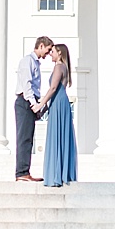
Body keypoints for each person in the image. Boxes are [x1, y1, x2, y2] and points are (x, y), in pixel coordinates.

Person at [34, 43, 78, 187]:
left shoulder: (59, 67)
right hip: (59, 102)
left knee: (56, 136)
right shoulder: (63, 67)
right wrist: (46, 107)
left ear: (59, 53)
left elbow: (53, 88)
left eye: (52, 51)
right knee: (59, 136)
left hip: (59, 103)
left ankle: (56, 175)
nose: (50, 54)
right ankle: (60, 173)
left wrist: (40, 104)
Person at [13, 36, 53, 183]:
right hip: (25, 102)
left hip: (30, 101)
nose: (48, 54)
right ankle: (22, 172)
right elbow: (27, 85)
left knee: (28, 139)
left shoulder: (35, 63)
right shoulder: (27, 61)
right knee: (24, 138)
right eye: (48, 50)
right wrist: (33, 104)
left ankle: (24, 171)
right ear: (41, 46)